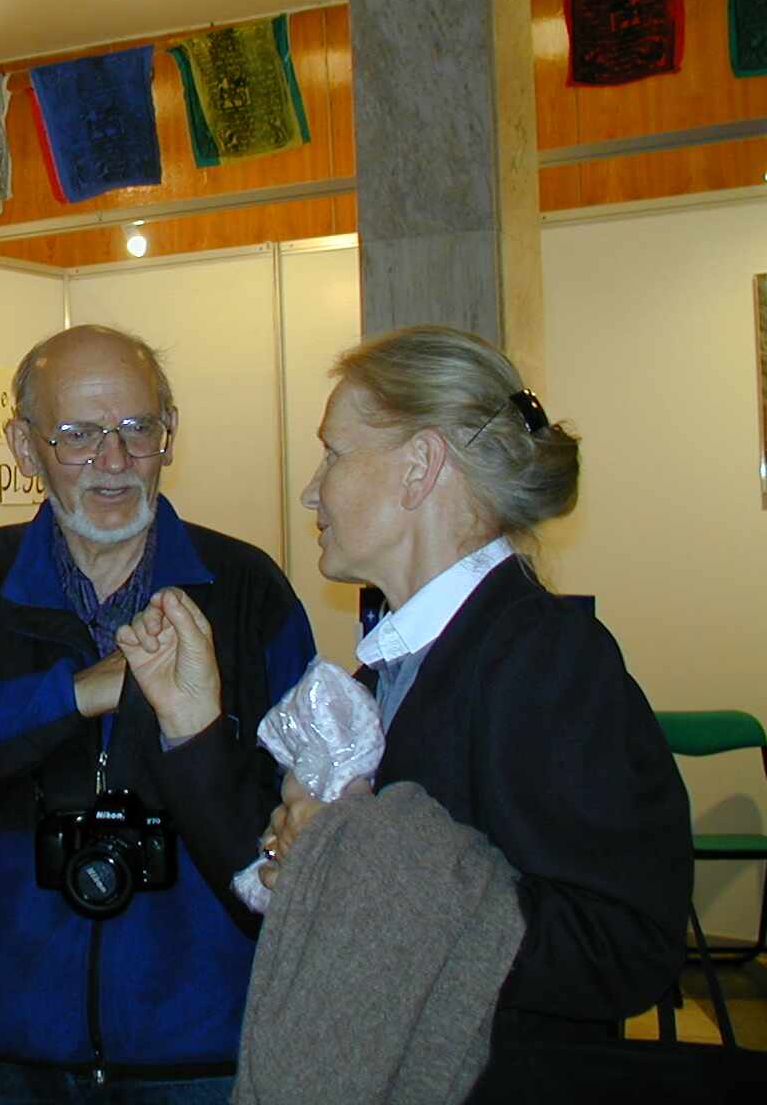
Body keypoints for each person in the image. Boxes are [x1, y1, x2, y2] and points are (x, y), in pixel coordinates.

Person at [118, 324, 691, 1096]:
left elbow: (622, 948)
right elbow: (289, 905)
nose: (311, 490)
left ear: (420, 467)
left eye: (334, 453)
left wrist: (368, 860)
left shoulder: (544, 658)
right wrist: (192, 721)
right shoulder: (393, 667)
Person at [0, 324, 316, 1101]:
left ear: (170, 434)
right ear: (23, 447)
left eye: (139, 428)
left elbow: (304, 808)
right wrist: (70, 695)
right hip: (5, 1036)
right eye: (77, 435)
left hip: (198, 1042)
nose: (114, 459)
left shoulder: (244, 590)